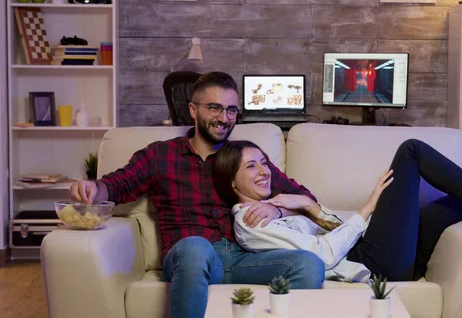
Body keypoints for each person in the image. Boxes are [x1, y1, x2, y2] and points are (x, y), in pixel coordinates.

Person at [67, 72, 326, 318]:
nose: (224, 118)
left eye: (231, 110)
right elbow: (116, 185)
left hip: (245, 258)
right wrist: (93, 187)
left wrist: (277, 209)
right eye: (214, 108)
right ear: (193, 110)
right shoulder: (160, 155)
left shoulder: (244, 157)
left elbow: (305, 199)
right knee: (196, 246)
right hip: (188, 257)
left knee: (310, 265)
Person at [212, 138, 462, 282]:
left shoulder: (274, 206)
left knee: (457, 203)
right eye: (251, 166)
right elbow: (322, 256)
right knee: (411, 150)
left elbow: (336, 227)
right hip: (370, 263)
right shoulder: (250, 220)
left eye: (264, 163)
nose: (264, 171)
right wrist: (369, 206)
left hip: (376, 252)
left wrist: (308, 206)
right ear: (231, 180)